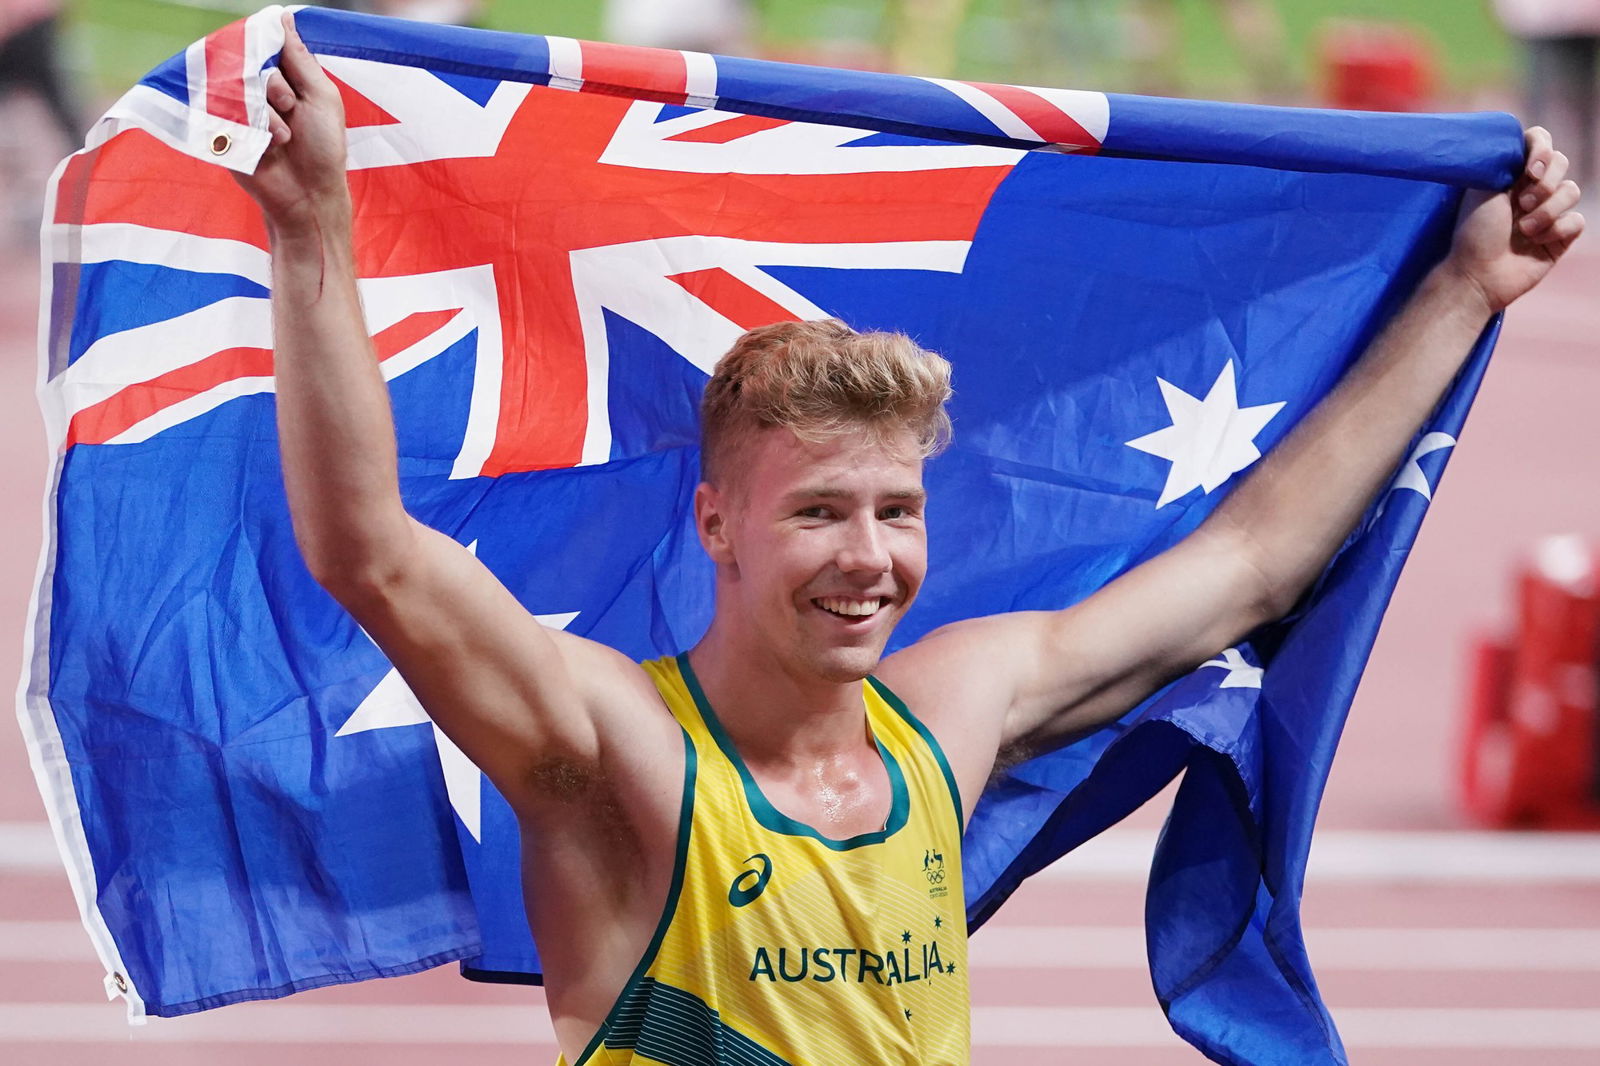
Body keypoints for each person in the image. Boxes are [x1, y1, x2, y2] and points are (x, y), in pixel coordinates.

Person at [238, 13, 1584, 1065]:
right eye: (819, 511)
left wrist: (1467, 286)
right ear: (718, 523)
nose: (870, 556)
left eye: (896, 511)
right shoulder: (616, 748)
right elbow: (373, 550)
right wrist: (315, 232)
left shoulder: (947, 716)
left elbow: (1248, 566)